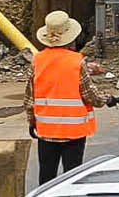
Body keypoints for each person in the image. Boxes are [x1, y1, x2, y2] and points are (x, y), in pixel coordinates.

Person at [27, 10, 97, 177]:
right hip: (74, 133)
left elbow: (30, 97)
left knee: (46, 175)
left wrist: (32, 121)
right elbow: (90, 94)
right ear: (71, 39)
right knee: (71, 177)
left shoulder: (37, 61)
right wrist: (107, 100)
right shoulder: (76, 61)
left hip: (46, 132)